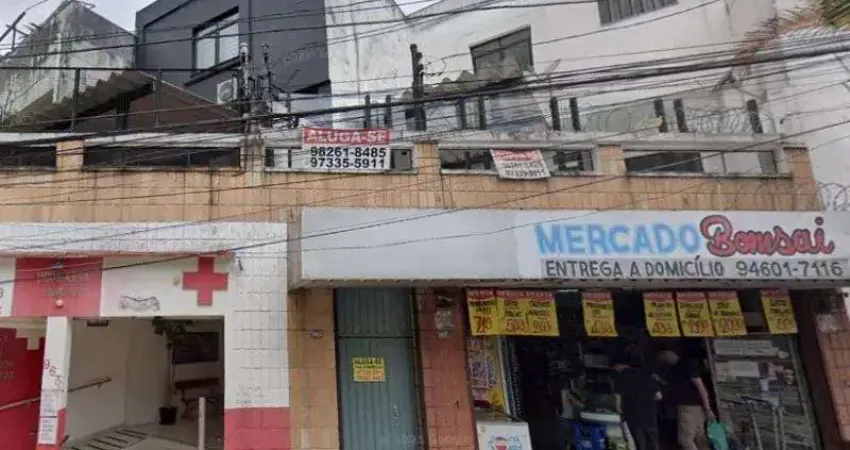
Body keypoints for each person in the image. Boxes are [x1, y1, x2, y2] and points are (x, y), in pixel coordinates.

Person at [658, 350, 714, 450]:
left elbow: (700, 386)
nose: (662, 360)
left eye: (662, 357)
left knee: (685, 440)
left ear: (669, 354)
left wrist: (707, 408)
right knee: (699, 439)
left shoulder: (686, 366)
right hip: (695, 408)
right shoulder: (676, 368)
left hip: (689, 408)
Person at [612, 355, 662, 450]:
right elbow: (659, 396)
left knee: (639, 444)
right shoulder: (648, 376)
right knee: (653, 444)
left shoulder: (622, 377)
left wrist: (619, 411)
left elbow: (617, 397)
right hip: (650, 416)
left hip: (633, 416)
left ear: (622, 365)